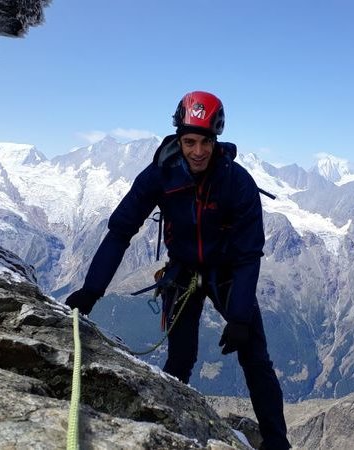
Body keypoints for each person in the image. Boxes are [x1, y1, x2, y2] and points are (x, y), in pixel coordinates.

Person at [66, 91, 291, 449]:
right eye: (190, 141)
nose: (197, 151)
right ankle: (168, 429)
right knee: (180, 357)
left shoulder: (237, 182)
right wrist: (92, 290)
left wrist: (240, 318)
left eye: (204, 141)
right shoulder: (160, 175)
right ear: (178, 139)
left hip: (228, 272)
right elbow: (121, 231)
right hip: (183, 271)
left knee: (255, 358)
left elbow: (249, 255)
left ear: (215, 140)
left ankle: (278, 445)